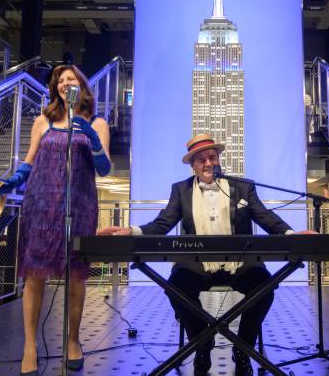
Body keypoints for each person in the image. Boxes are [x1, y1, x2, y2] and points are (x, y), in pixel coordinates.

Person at [97, 134, 316, 376]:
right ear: (193, 165)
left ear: (219, 159)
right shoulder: (180, 190)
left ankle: (243, 349)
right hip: (197, 267)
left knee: (264, 287)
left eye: (212, 157)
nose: (208, 163)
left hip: (240, 265)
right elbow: (162, 224)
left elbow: (265, 217)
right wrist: (132, 231)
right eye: (201, 160)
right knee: (176, 286)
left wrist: (292, 234)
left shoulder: (243, 187)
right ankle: (203, 342)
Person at [0, 64, 111, 375]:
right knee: (34, 275)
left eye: (70, 78)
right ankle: (30, 345)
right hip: (41, 203)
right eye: (59, 80)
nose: (64, 83)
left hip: (80, 204)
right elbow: (29, 162)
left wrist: (91, 137)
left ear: (82, 85)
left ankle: (73, 340)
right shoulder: (42, 121)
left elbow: (104, 169)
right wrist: (10, 182)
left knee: (76, 274)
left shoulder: (97, 123)